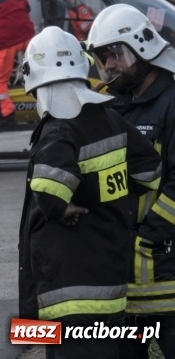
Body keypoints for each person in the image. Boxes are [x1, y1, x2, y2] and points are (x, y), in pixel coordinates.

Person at [19, 26, 161, 359]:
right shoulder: (110, 118)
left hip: (68, 288)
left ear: (33, 79)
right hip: (108, 279)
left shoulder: (57, 126)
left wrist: (63, 207)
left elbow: (49, 191)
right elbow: (149, 171)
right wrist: (101, 194)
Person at [86, 4, 175, 358]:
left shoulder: (171, 103)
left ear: (142, 47)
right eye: (102, 57)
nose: (109, 65)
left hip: (167, 274)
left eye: (116, 54)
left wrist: (149, 235)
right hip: (122, 281)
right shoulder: (112, 106)